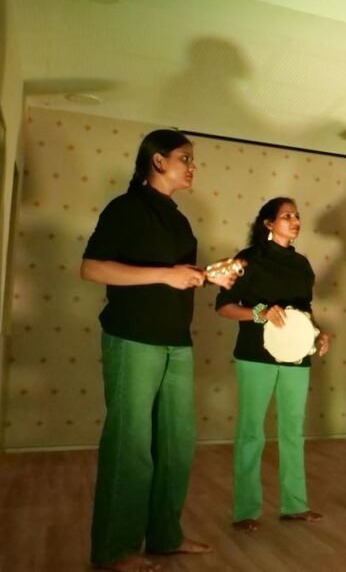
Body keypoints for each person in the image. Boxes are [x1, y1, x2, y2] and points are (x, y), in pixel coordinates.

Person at [81, 129, 237, 572]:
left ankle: (165, 536)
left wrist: (207, 276)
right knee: (130, 445)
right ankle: (115, 549)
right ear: (157, 161)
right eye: (184, 158)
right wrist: (165, 275)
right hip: (132, 338)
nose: (192, 167)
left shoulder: (179, 220)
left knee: (176, 445)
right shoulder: (125, 208)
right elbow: (91, 268)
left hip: (176, 342)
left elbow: (174, 273)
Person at [215, 197, 330, 533]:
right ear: (268, 223)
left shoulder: (302, 265)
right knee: (251, 432)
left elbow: (304, 312)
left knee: (292, 431)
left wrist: (319, 334)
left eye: (297, 215)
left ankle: (295, 505)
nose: (295, 221)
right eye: (286, 216)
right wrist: (259, 313)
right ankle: (245, 510)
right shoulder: (247, 259)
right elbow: (224, 307)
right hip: (255, 356)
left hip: (297, 357)